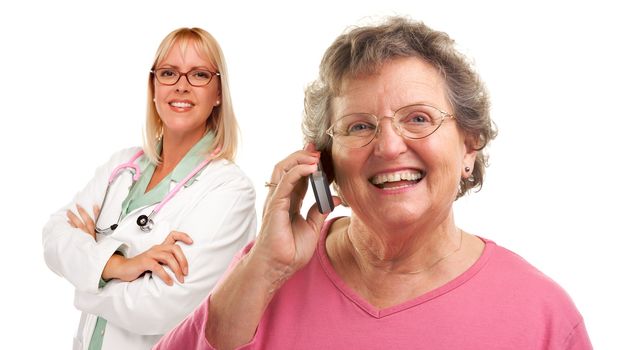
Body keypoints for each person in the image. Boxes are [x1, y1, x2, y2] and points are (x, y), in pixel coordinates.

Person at [155, 17, 592, 350]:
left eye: (418, 118)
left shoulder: (541, 315)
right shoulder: (265, 270)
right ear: (324, 162)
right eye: (359, 126)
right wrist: (265, 268)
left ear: (469, 146)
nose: (387, 146)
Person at [42, 27, 256, 350]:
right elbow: (53, 237)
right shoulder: (122, 167)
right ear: (153, 87)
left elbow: (160, 308)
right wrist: (120, 266)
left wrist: (85, 273)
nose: (181, 86)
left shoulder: (229, 191)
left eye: (198, 75)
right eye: (169, 73)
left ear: (218, 94)